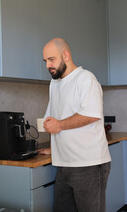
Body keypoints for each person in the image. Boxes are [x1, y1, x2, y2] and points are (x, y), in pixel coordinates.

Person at [38, 38, 111, 212]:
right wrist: (53, 147)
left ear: (66, 55)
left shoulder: (86, 79)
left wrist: (60, 126)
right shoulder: (54, 84)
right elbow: (52, 120)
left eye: (52, 59)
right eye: (45, 61)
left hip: (88, 165)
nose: (48, 65)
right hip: (64, 165)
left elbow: (91, 115)